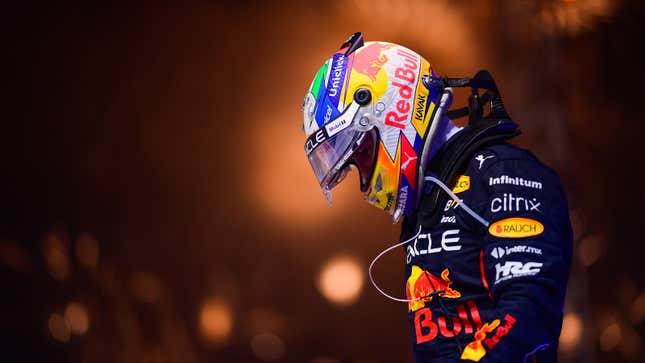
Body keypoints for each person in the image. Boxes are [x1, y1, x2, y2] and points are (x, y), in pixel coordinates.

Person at [301, 32, 573, 362]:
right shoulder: (428, 203)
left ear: (391, 112)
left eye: (362, 153)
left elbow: (529, 312)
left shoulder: (506, 173)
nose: (364, 176)